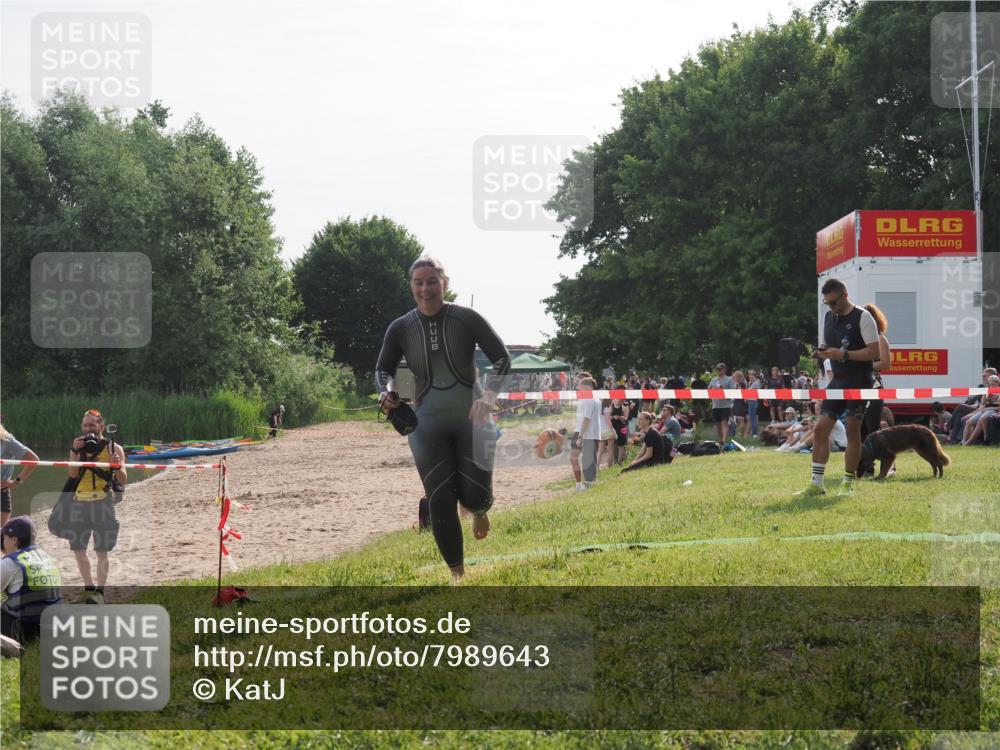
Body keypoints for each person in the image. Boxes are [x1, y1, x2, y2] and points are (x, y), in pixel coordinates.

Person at [376, 257, 510, 580]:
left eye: (432, 281)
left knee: (476, 494)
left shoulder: (467, 319)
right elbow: (383, 370)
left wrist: (489, 397)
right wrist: (386, 393)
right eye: (418, 282)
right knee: (439, 498)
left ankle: (479, 511)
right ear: (411, 286)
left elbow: (502, 359)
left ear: (444, 282)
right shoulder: (401, 327)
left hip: (473, 420)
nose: (425, 289)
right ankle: (458, 577)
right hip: (426, 424)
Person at [799, 279, 880, 496]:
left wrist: (843, 354)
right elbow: (829, 346)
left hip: (859, 381)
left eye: (834, 302)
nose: (831, 307)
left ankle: (847, 483)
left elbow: (874, 353)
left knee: (853, 431)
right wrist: (823, 352)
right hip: (838, 381)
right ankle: (816, 484)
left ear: (844, 295)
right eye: (827, 303)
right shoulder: (828, 317)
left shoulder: (863, 317)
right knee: (820, 429)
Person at [65, 409, 126, 604]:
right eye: (85, 425)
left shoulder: (113, 448)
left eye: (92, 425)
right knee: (78, 549)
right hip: (79, 503)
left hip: (102, 502)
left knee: (101, 550)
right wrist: (75, 452)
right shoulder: (77, 447)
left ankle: (99, 591)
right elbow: (73, 475)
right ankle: (88, 586)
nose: (87, 428)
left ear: (101, 425)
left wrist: (117, 466)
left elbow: (124, 478)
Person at [1, 516, 62, 646]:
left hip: (26, 628)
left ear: (14, 540)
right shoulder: (47, 557)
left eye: (4, 538)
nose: (2, 542)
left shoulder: (11, 562)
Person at [946, 367, 998, 443]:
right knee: (960, 415)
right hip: (980, 409)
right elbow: (982, 403)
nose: (983, 377)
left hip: (982, 410)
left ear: (991, 376)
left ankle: (948, 427)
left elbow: (984, 405)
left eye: (984, 376)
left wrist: (973, 411)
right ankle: (953, 439)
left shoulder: (990, 388)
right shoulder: (986, 388)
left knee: (961, 407)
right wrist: (976, 406)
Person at [1, 425, 39, 525]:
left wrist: (17, 481)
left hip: (1, 490)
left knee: (2, 535)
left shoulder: (7, 441)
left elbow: (33, 460)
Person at [575, 377, 603, 489]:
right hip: (593, 433)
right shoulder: (595, 398)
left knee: (588, 460)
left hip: (589, 433)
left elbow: (586, 419)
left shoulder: (588, 398)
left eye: (580, 386)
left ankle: (589, 483)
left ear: (586, 387)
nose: (578, 388)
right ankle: (590, 482)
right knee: (590, 459)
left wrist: (580, 436)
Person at [962, 375, 1000, 445]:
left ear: (998, 383)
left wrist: (987, 408)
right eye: (990, 384)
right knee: (968, 422)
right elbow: (982, 404)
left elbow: (998, 408)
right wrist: (982, 407)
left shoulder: (999, 392)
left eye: (993, 384)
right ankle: (963, 441)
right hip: (984, 409)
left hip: (993, 410)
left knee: (982, 418)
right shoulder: (987, 392)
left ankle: (986, 437)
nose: (991, 386)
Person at [708, 363, 736, 445]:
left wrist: (722, 389)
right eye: (717, 369)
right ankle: (721, 440)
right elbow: (708, 390)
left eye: (719, 369)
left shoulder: (729, 380)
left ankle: (724, 440)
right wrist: (713, 390)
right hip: (715, 405)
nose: (718, 371)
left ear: (724, 370)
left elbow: (732, 392)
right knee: (717, 424)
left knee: (724, 422)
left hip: (725, 405)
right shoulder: (713, 379)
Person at [609, 398, 630, 464]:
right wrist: (613, 417)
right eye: (618, 399)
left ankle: (619, 462)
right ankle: (615, 462)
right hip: (613, 428)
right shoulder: (610, 407)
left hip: (622, 428)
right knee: (614, 445)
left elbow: (626, 418)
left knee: (621, 445)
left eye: (621, 400)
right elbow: (606, 417)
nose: (619, 400)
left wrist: (621, 417)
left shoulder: (624, 408)